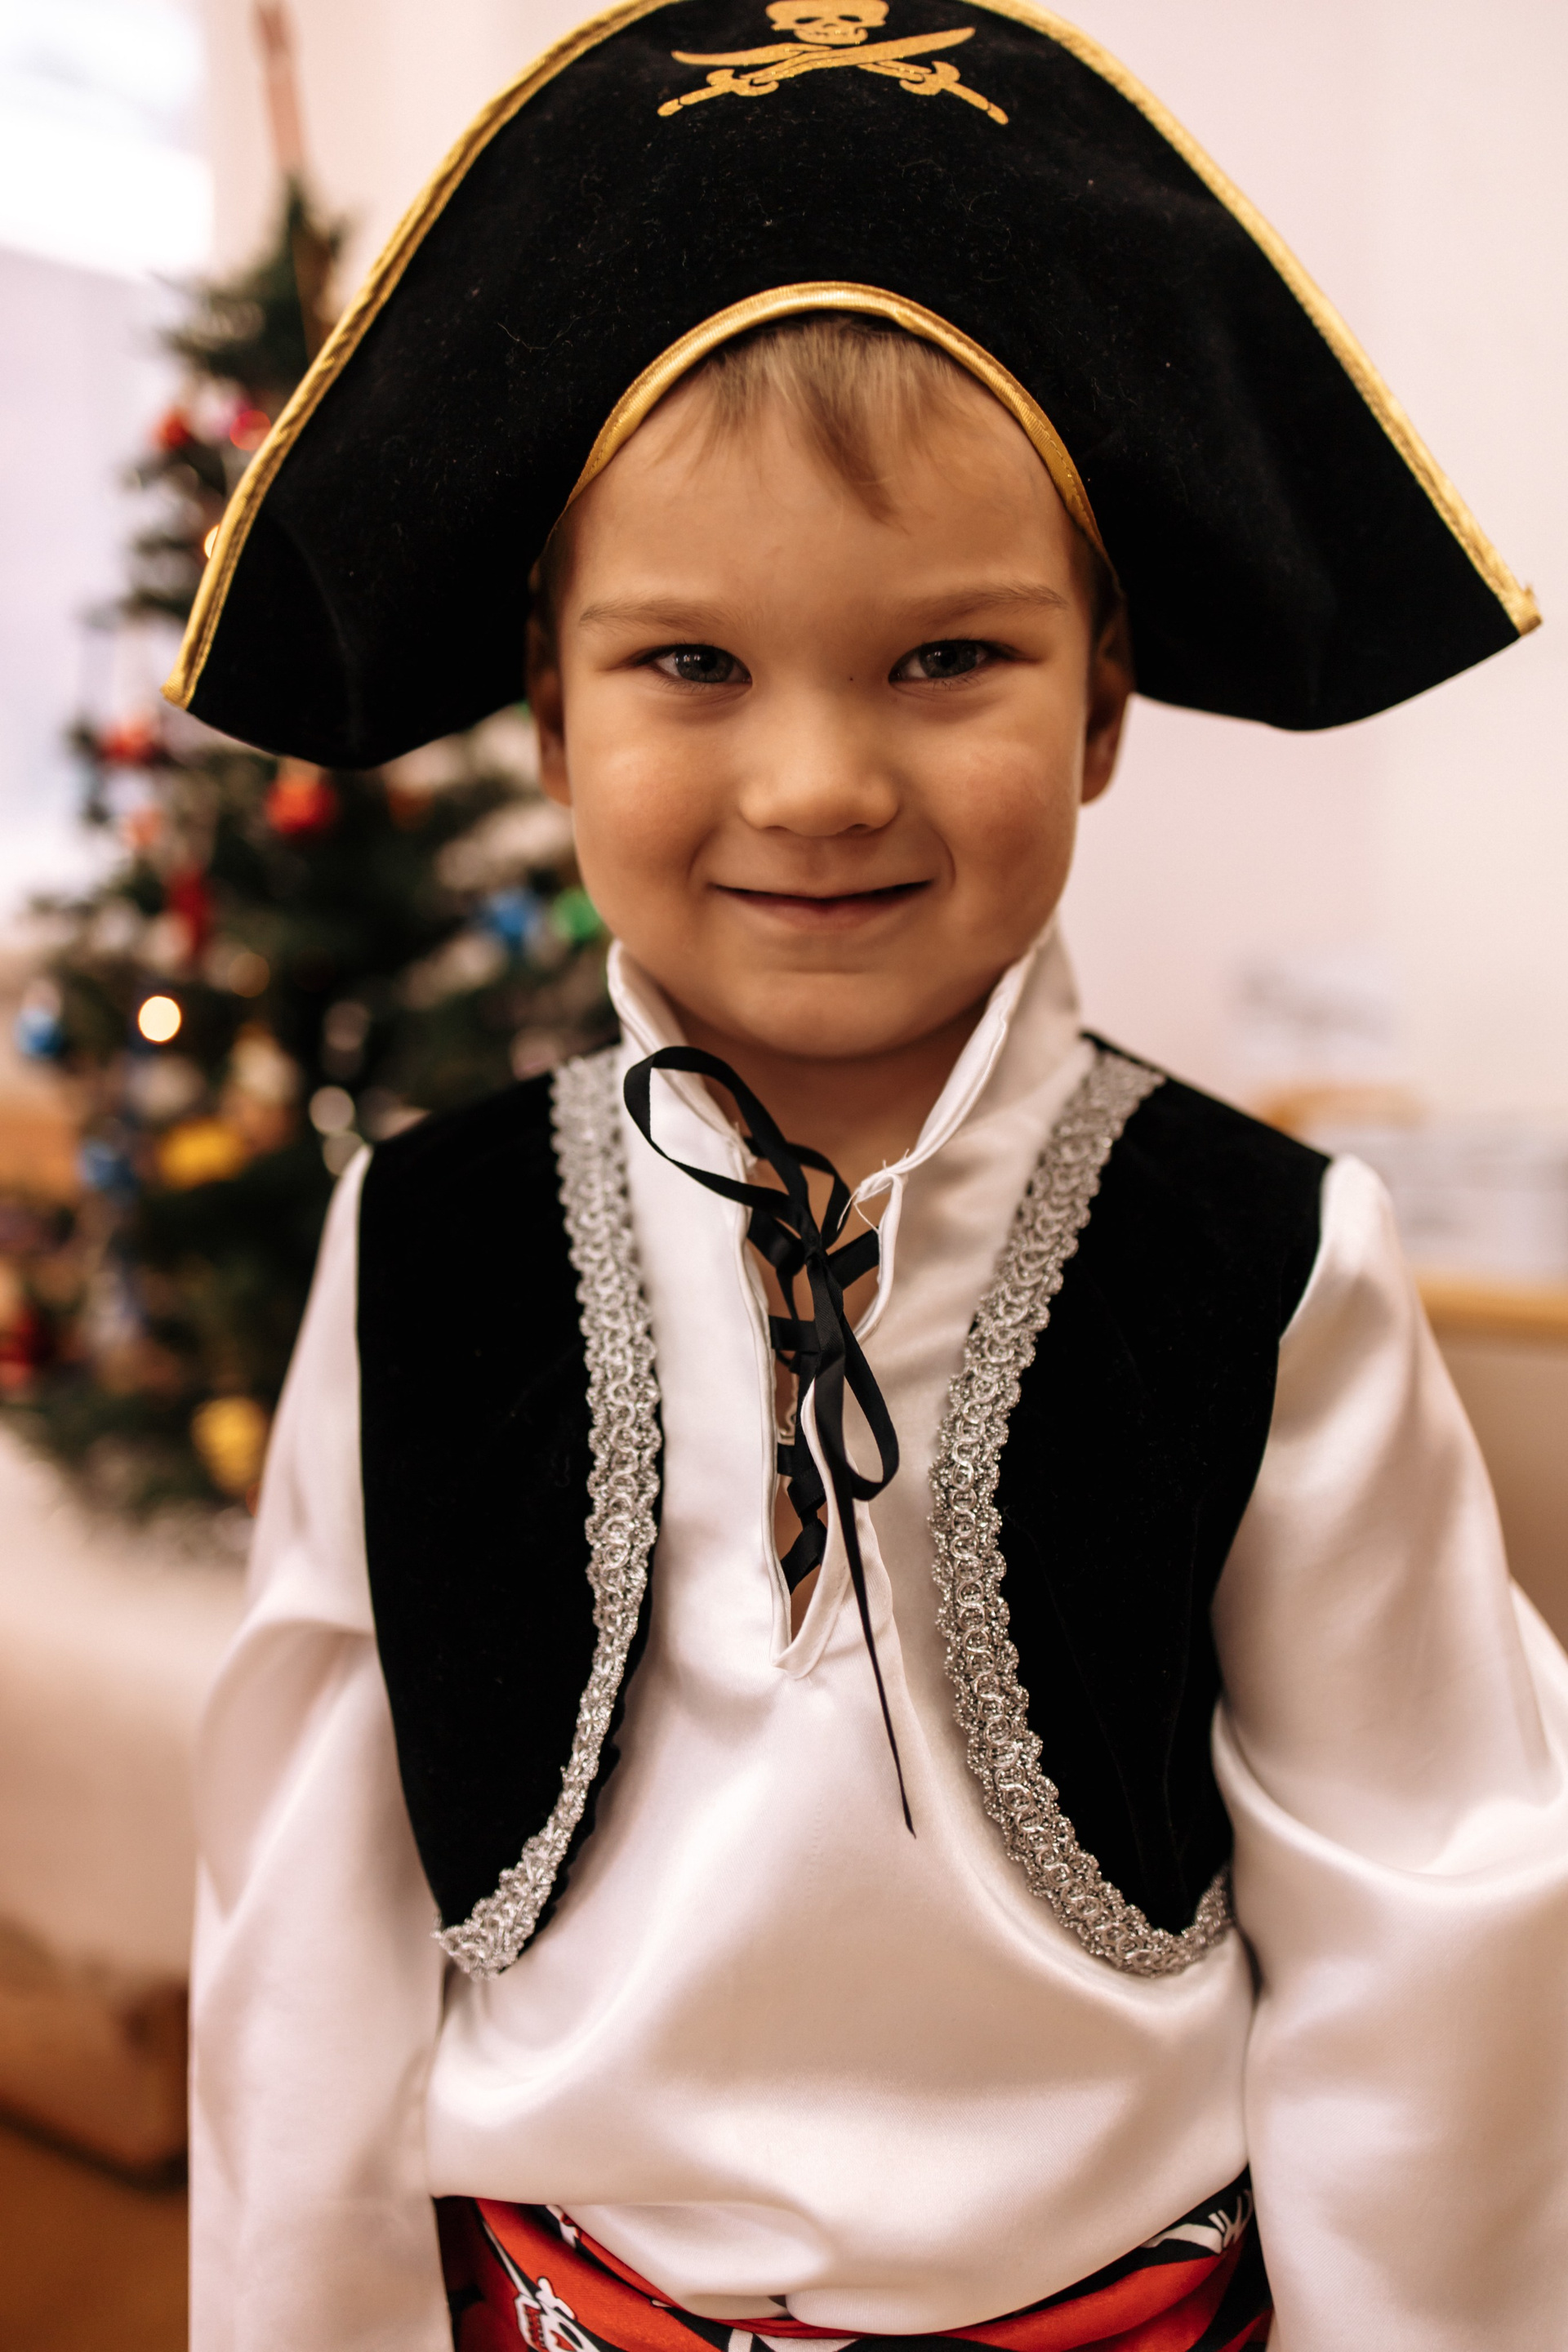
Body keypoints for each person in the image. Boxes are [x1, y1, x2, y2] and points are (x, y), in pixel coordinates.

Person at [171, 7, 1568, 2349]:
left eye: (943, 657)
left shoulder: (1262, 1259)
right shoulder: (420, 1247)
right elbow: (310, 1901)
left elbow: (1432, 1910)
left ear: (1102, 702)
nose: (816, 782)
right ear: (552, 714)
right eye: (691, 663)